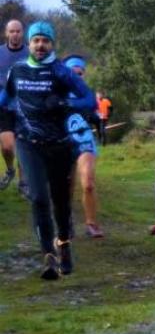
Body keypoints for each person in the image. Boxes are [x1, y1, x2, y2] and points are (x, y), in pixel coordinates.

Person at [0, 21, 93, 279]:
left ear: (52, 44)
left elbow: (89, 100)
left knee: (60, 201)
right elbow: (5, 98)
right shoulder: (17, 70)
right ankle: (48, 257)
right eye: (36, 41)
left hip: (59, 144)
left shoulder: (61, 72)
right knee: (39, 198)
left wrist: (64, 103)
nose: (40, 45)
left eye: (45, 41)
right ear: (29, 44)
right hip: (28, 143)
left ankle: (63, 243)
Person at [63, 55, 105, 238]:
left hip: (84, 140)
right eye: (72, 72)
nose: (76, 76)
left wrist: (98, 122)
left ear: (83, 74)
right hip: (63, 141)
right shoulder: (57, 91)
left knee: (88, 183)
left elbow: (93, 113)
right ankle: (65, 221)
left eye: (79, 73)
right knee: (66, 184)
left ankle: (91, 223)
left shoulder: (87, 93)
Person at [1, 18, 27, 191]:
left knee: (24, 145)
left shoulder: (30, 53)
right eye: (12, 31)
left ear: (22, 33)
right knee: (7, 146)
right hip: (4, 105)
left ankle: (23, 182)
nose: (15, 34)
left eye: (18, 31)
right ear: (6, 33)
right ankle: (10, 169)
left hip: (26, 105)